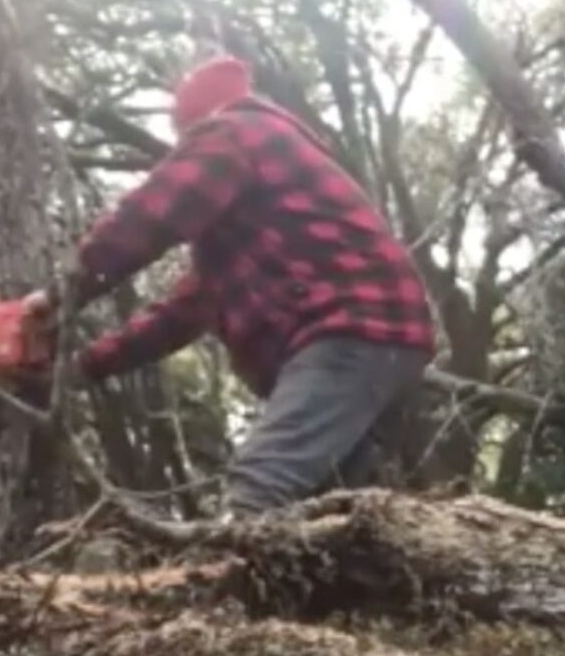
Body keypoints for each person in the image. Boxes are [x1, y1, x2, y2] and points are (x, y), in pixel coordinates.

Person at [24, 55, 435, 518]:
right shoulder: (241, 230)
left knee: (261, 483)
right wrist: (81, 369)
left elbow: (150, 216)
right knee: (332, 509)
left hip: (352, 329)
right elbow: (179, 316)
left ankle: (225, 566)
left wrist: (57, 297)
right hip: (378, 337)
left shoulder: (236, 131)